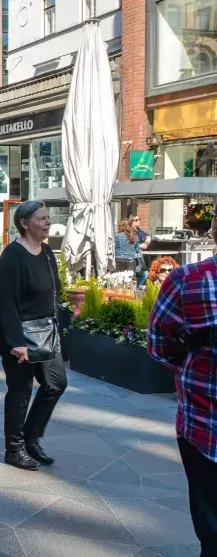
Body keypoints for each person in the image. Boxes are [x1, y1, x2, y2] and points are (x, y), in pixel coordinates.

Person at [147, 216, 217, 556]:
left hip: (204, 425)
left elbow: (159, 344)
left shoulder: (187, 280)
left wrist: (194, 364)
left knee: (211, 525)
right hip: (203, 424)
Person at [0, 200, 66, 471]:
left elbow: (55, 291)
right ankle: (14, 449)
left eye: (47, 217)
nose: (47, 222)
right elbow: (6, 302)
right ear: (24, 223)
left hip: (46, 332)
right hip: (20, 335)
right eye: (41, 218)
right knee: (20, 392)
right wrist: (16, 343)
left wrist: (57, 327)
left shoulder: (46, 252)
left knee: (55, 384)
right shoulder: (13, 255)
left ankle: (31, 438)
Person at [129, 213, 151, 287]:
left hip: (139, 255)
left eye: (139, 219)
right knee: (136, 274)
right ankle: (135, 289)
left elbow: (145, 235)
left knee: (143, 274)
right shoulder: (130, 231)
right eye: (136, 220)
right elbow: (130, 245)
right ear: (132, 221)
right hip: (134, 256)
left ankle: (136, 288)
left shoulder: (138, 229)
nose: (138, 221)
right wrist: (140, 246)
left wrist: (148, 238)